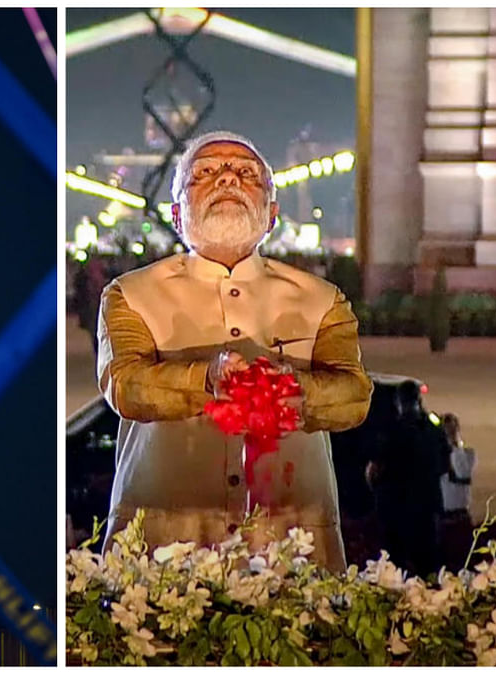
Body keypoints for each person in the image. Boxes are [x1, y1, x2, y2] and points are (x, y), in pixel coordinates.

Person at [96, 130, 373, 572]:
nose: (227, 181)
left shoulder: (323, 299)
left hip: (292, 540)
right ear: (175, 213)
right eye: (205, 174)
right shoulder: (129, 295)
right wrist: (206, 379)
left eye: (246, 174)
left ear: (272, 215)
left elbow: (354, 397)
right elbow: (127, 386)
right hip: (163, 542)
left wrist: (289, 389)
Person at [367, 381, 449, 577]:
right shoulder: (432, 430)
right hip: (426, 508)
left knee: (395, 568)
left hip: (395, 509)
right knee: (427, 567)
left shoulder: (389, 430)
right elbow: (445, 465)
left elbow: (374, 470)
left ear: (398, 403)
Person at [438, 413, 476, 569]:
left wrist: (454, 444)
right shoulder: (436, 455)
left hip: (460, 516)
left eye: (452, 430)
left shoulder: (467, 453)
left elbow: (462, 472)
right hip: (441, 518)